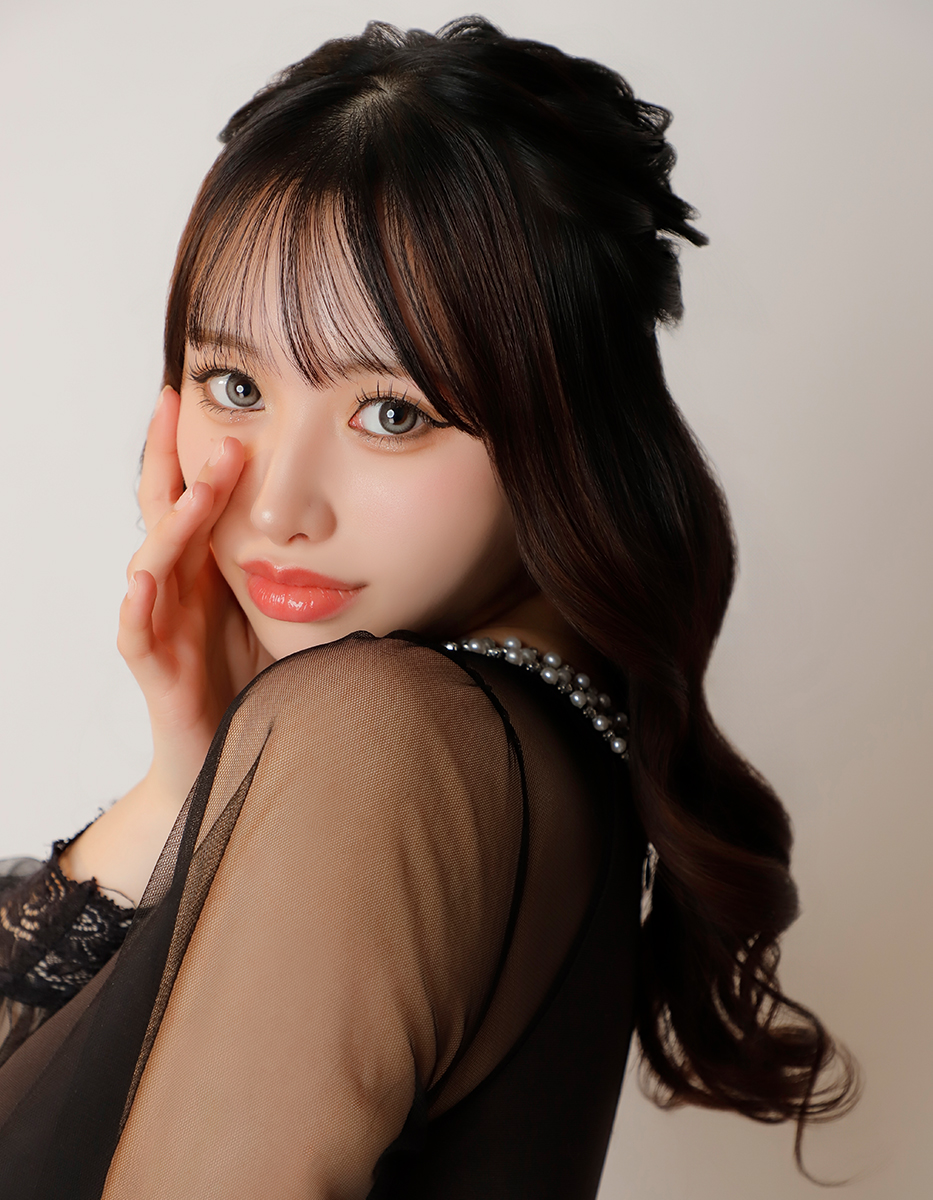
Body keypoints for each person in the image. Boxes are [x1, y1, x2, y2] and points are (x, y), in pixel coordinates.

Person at [0, 16, 857, 1198]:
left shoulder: (381, 734)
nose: (278, 507)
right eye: (234, 385)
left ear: (557, 430)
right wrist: (189, 782)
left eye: (393, 412)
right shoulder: (520, 744)